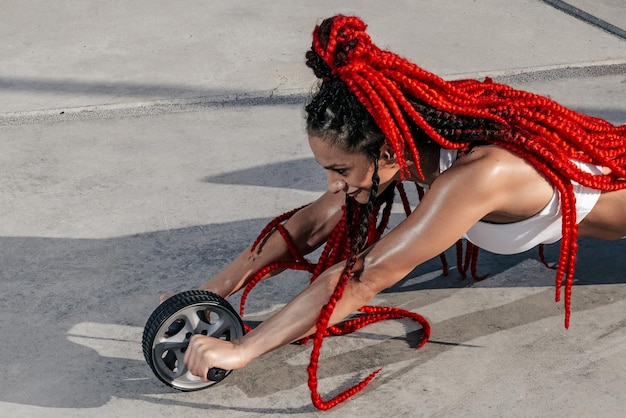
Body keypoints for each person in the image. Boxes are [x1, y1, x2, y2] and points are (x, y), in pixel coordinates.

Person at [179, 15, 626, 409]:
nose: (333, 184)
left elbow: (364, 276)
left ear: (390, 151)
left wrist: (243, 351)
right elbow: (316, 220)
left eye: (339, 170)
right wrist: (207, 294)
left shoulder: (478, 176)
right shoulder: (419, 144)